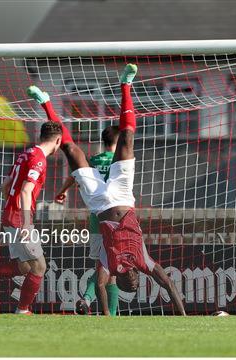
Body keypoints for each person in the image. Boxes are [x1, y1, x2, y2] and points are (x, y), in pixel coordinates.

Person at [28, 64, 186, 316]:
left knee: (71, 150)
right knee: (127, 138)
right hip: (123, 195)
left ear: (120, 280)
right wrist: (183, 316)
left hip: (98, 203)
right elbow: (166, 282)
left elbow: (100, 285)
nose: (132, 283)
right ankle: (126, 85)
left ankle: (46, 103)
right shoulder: (144, 261)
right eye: (134, 284)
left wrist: (105, 319)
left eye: (127, 286)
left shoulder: (109, 265)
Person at [0, 121, 63, 315]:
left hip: (10, 215)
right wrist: (26, 223)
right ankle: (23, 310)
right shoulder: (39, 159)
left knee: (24, 266)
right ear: (58, 141)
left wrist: (12, 209)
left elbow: (5, 185)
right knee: (39, 267)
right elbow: (26, 191)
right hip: (20, 218)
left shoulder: (26, 154)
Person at [54, 125, 121, 316]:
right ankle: (112, 314)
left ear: (104, 141)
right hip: (115, 217)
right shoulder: (119, 160)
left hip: (95, 218)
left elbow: (76, 175)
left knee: (101, 265)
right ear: (119, 140)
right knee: (112, 270)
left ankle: (87, 299)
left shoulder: (93, 160)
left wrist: (62, 191)